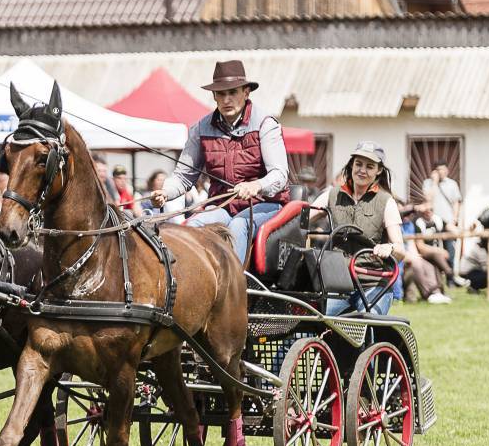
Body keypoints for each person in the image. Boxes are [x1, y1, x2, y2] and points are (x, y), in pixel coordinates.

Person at [150, 60, 290, 260]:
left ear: (246, 92)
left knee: (238, 226)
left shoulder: (266, 125)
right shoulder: (200, 129)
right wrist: (165, 192)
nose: (226, 99)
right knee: (192, 226)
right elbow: (183, 176)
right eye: (221, 94)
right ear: (214, 96)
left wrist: (256, 186)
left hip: (265, 203)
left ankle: (235, 280)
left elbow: (279, 175)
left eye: (232, 92)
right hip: (223, 206)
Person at [309, 142, 406, 315]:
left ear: (378, 171)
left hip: (373, 282)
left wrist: (389, 248)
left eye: (369, 166)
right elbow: (302, 218)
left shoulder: (386, 202)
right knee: (315, 320)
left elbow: (400, 250)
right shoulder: (333, 195)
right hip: (338, 281)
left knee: (368, 323)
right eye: (358, 164)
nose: (362, 170)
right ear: (351, 165)